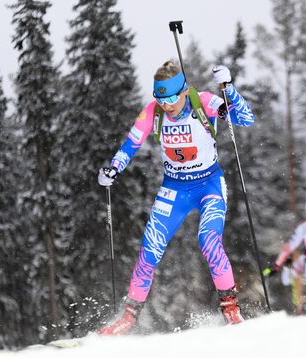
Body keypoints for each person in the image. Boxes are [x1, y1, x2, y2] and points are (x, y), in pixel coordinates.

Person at [97, 60, 255, 335]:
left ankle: (231, 308)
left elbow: (244, 118)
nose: (167, 104)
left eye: (171, 97)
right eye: (160, 97)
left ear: (183, 91)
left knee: (208, 240)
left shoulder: (203, 102)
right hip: (175, 188)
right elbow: (131, 143)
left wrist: (228, 88)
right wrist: (113, 168)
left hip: (209, 185)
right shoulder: (153, 112)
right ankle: (128, 317)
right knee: (150, 248)